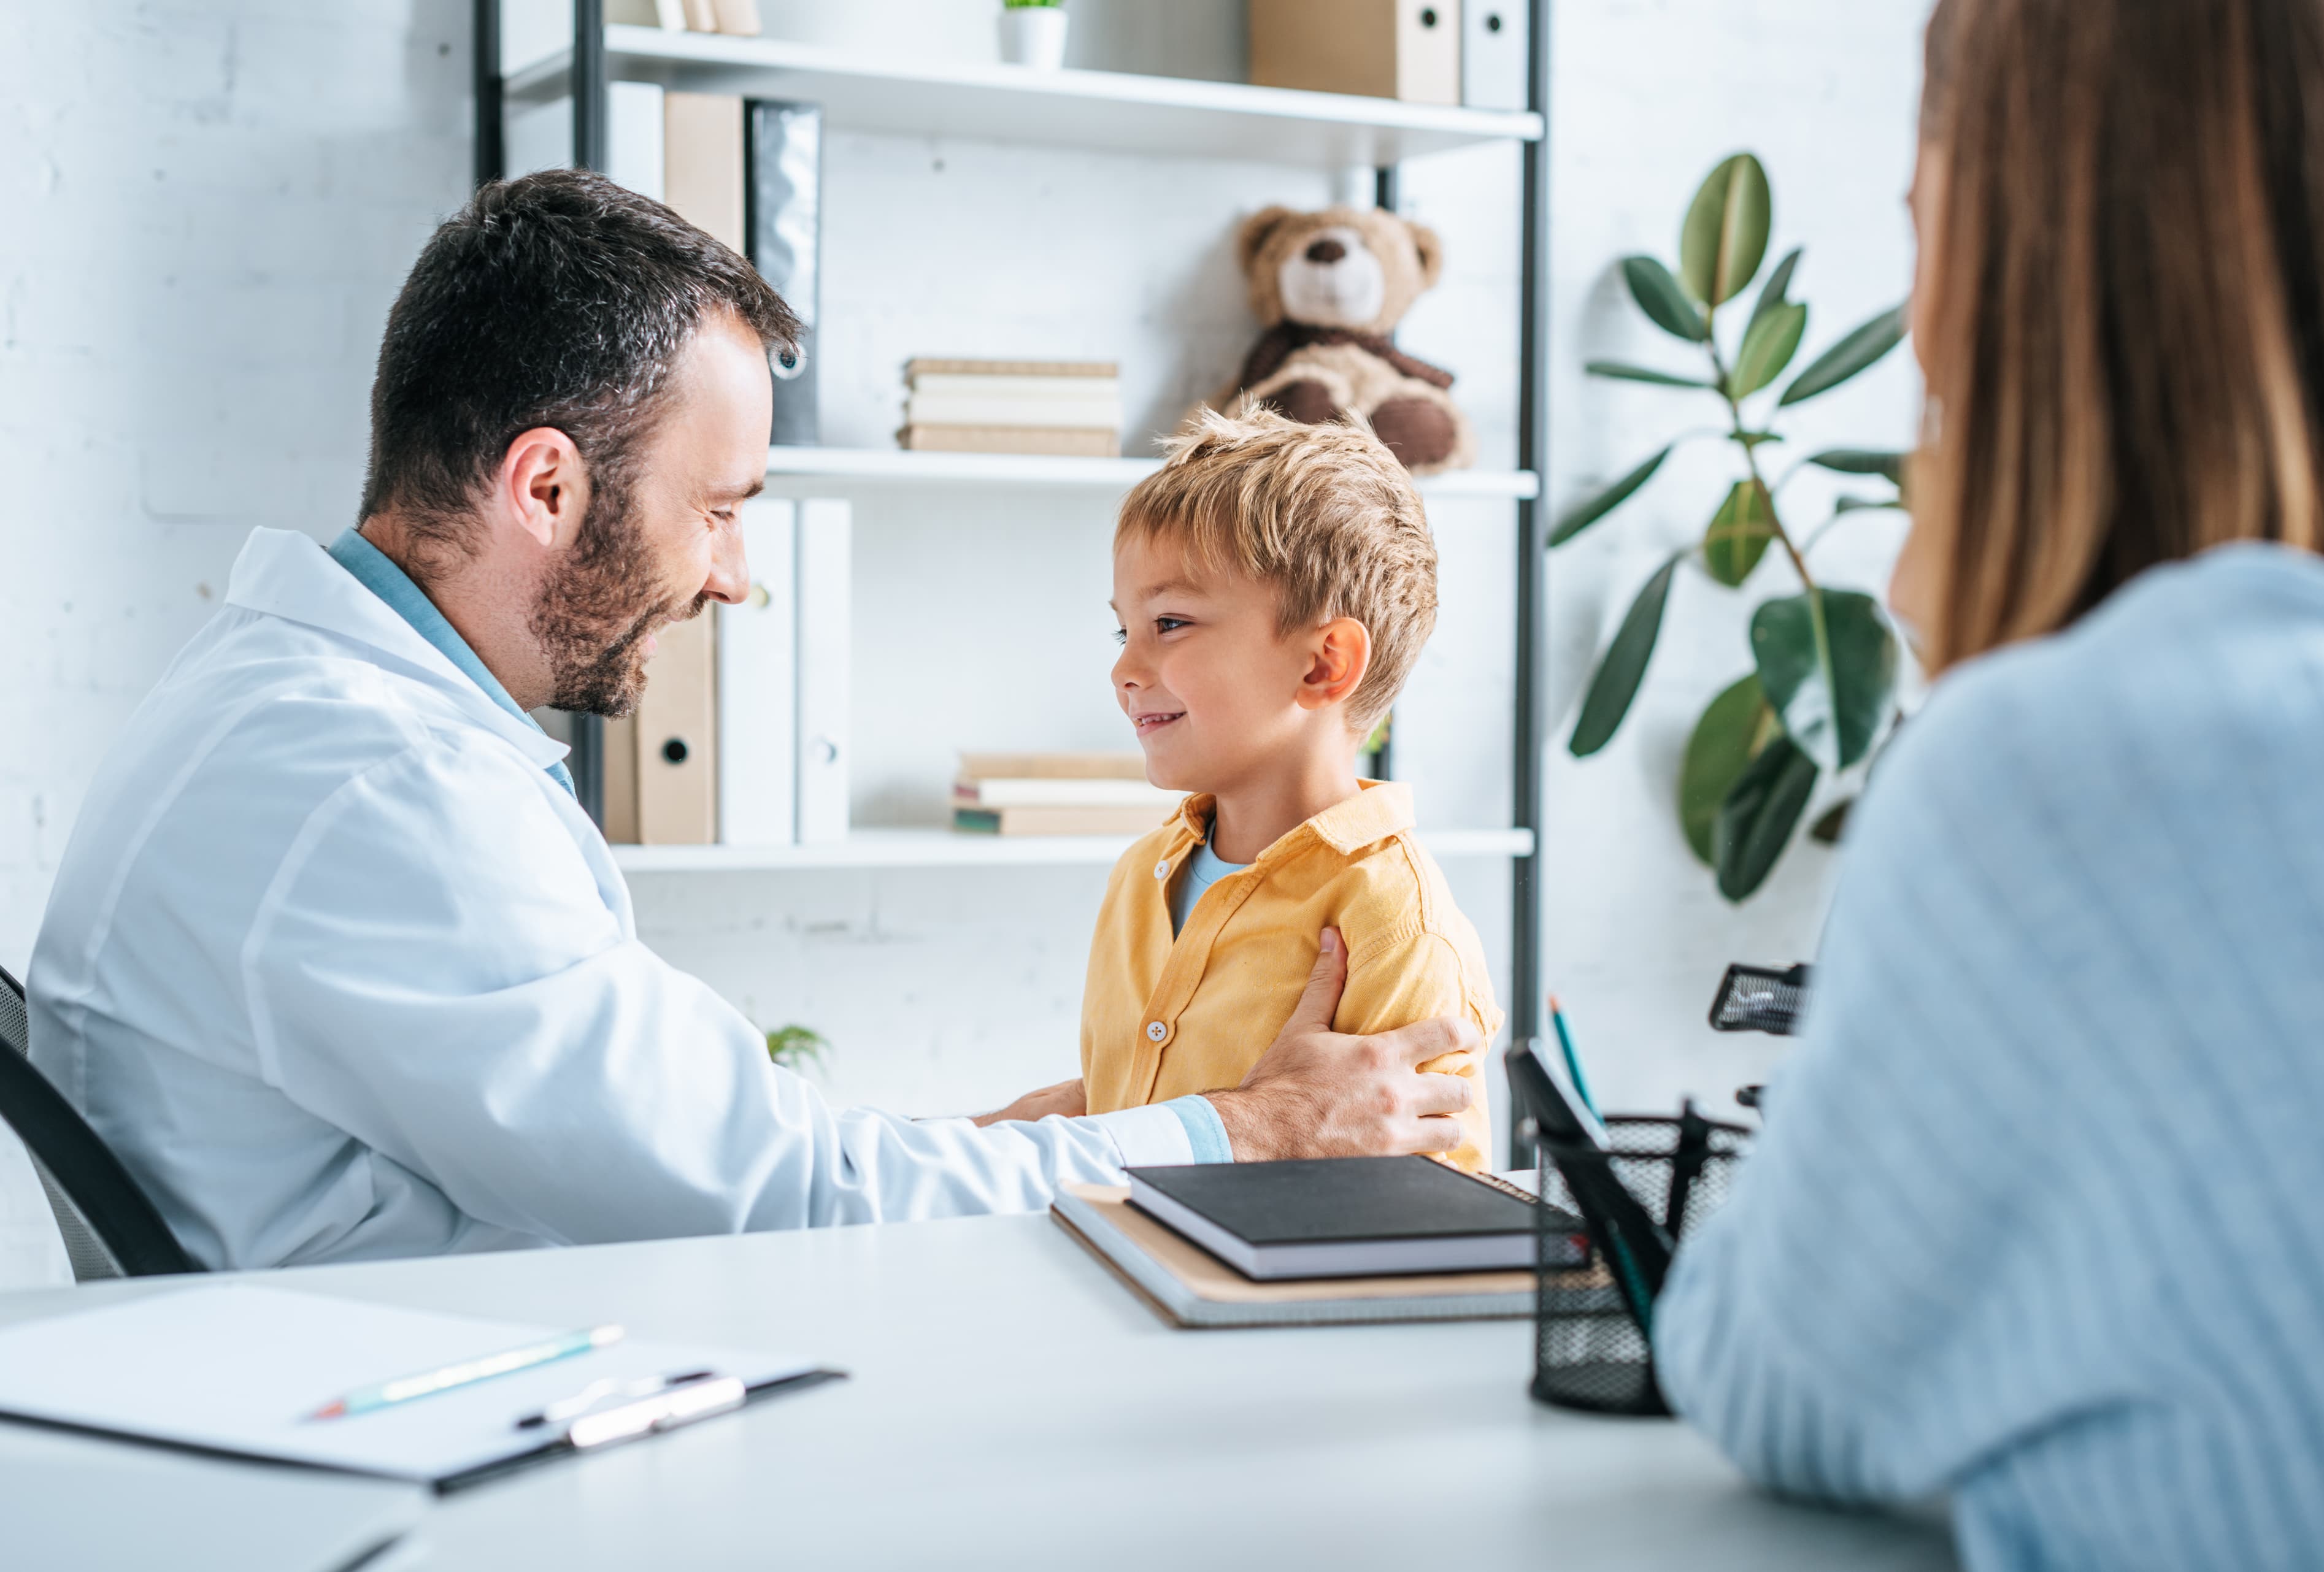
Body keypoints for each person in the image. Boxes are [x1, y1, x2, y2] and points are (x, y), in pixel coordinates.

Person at [25, 169, 1480, 1271]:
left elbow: (726, 1157)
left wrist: (1038, 1144)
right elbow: (777, 1203)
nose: (733, 574)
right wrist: (1245, 1134)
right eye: (717, 511)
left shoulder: (292, 700)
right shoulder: (378, 789)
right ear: (547, 488)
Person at [1652, 2, 2324, 1569]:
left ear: (2001, 227)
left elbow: (1776, 1380)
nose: (1905, 227)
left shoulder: (2056, 763)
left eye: (1925, 166)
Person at [1065, 407, 1497, 1171]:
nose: (1123, 669)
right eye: (1121, 630)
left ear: (1323, 664)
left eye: (1169, 622)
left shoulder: (1397, 926)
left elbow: (1430, 1221)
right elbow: (1121, 1108)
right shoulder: (1142, 878)